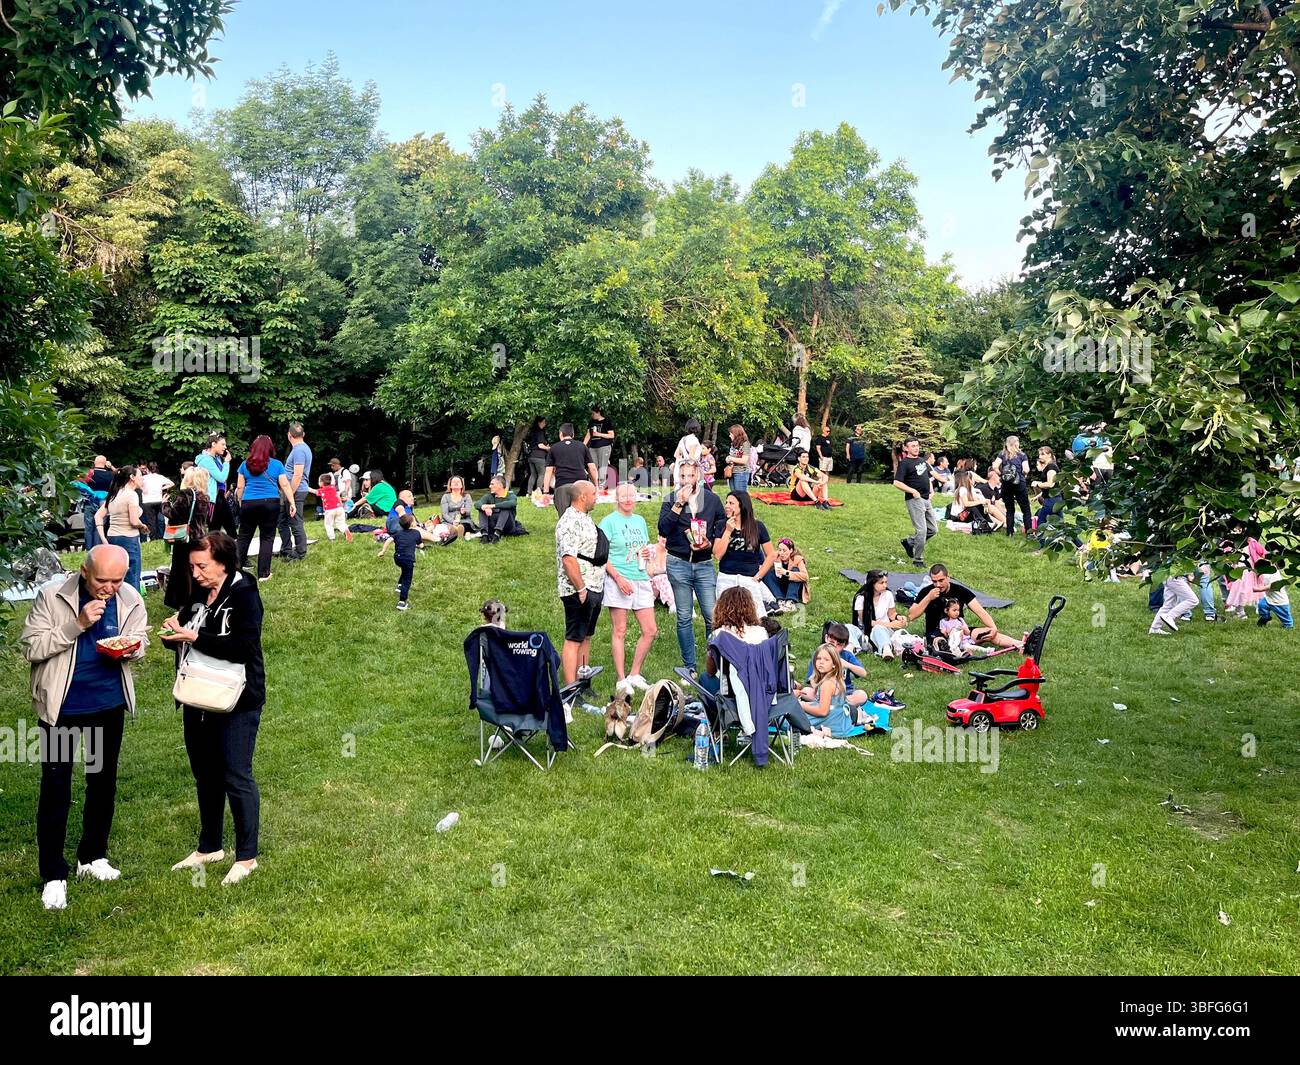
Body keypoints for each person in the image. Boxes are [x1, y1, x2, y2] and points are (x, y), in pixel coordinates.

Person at [20, 544, 148, 911]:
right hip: (63, 707)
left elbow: (139, 640)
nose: (110, 588)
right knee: (57, 785)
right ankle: (53, 874)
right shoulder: (52, 596)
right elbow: (33, 647)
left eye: (117, 580)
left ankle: (92, 857)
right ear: (83, 571)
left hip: (107, 705)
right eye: (102, 580)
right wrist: (77, 625)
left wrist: (131, 649)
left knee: (103, 782)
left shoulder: (129, 597)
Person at [161, 532, 265, 886]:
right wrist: (174, 633)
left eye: (202, 566)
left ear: (224, 562)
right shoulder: (196, 594)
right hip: (198, 696)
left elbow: (242, 647)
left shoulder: (245, 594)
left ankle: (247, 857)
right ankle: (209, 848)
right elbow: (190, 631)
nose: (197, 572)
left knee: (236, 775)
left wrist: (193, 638)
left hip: (236, 698)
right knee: (205, 774)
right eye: (193, 566)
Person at [657, 459, 725, 674]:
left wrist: (711, 542)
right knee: (684, 615)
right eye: (683, 476)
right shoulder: (670, 499)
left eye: (690, 476)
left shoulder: (712, 500)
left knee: (711, 615)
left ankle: (712, 662)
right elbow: (663, 529)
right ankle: (690, 666)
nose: (686, 480)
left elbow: (721, 524)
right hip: (678, 563)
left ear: (699, 477)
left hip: (704, 564)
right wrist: (678, 504)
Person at [599, 483, 657, 695]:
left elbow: (643, 547)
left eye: (631, 495)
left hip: (640, 578)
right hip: (619, 579)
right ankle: (621, 679)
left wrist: (647, 557)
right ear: (616, 499)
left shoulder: (640, 521)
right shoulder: (609, 522)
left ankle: (635, 673)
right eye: (623, 496)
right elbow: (601, 555)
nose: (628, 499)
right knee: (620, 630)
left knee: (650, 630)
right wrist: (617, 577)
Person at [555, 480, 605, 685]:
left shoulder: (585, 518)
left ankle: (583, 682)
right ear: (582, 496)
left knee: (586, 636)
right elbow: (568, 558)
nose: (597, 497)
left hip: (594, 585)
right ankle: (570, 687)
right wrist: (581, 588)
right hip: (578, 589)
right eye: (594, 493)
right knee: (574, 638)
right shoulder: (569, 522)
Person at [907, 564, 1021, 650]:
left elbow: (980, 611)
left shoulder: (960, 590)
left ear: (948, 577)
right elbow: (912, 616)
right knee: (940, 643)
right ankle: (947, 649)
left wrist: (993, 628)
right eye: (934, 581)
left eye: (941, 580)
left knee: (989, 632)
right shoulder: (926, 592)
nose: (938, 585)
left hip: (960, 631)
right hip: (937, 633)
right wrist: (928, 598)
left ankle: (1021, 644)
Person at [234, 435, 296, 582]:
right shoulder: (277, 464)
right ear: (270, 448)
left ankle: (235, 571)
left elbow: (240, 487)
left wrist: (241, 503)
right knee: (267, 537)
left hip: (249, 502)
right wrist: (292, 502)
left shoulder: (244, 465)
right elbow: (285, 485)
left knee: (243, 537)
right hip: (270, 503)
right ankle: (263, 573)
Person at [713, 489, 775, 618]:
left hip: (749, 578)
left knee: (756, 617)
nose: (727, 506)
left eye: (731, 503)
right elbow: (717, 554)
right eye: (726, 502)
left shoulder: (757, 526)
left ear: (742, 505)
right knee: (725, 617)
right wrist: (728, 531)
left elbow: (771, 555)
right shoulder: (721, 525)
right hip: (726, 577)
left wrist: (759, 576)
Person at [799, 644, 876, 739]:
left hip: (832, 721)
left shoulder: (827, 683)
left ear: (834, 664)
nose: (821, 662)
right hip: (839, 719)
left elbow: (823, 711)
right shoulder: (834, 678)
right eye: (818, 659)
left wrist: (802, 705)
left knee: (789, 720)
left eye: (826, 660)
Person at [163, 466, 214, 610]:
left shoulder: (185, 494)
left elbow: (174, 514)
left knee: (181, 570)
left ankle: (181, 600)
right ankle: (199, 598)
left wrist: (165, 505)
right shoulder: (204, 497)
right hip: (199, 537)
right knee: (197, 569)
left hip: (184, 538)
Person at [95, 466, 149, 591]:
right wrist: (143, 526)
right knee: (132, 577)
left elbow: (98, 516)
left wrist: (103, 538)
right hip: (129, 540)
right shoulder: (132, 495)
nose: (142, 479)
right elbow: (134, 521)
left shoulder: (114, 493)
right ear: (132, 478)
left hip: (112, 538)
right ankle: (133, 606)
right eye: (140, 476)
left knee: (116, 575)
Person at [893, 437, 936, 568]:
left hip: (926, 499)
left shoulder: (922, 461)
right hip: (915, 500)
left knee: (933, 529)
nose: (916, 448)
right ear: (906, 448)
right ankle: (918, 560)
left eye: (917, 445)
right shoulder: (905, 463)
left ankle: (909, 542)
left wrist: (931, 490)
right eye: (912, 446)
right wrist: (913, 491)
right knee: (922, 531)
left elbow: (929, 477)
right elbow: (897, 482)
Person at [543, 423, 598, 519]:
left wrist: (546, 492)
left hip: (562, 486)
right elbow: (592, 468)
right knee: (582, 515)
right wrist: (595, 485)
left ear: (561, 434)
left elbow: (548, 471)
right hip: (581, 486)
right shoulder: (582, 446)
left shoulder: (554, 448)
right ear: (573, 435)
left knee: (564, 518)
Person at [858, 569, 913, 659]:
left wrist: (898, 617)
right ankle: (886, 650)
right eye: (881, 583)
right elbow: (866, 622)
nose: (885, 585)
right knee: (878, 628)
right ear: (872, 583)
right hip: (867, 630)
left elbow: (891, 613)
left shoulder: (888, 595)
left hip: (886, 630)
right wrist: (890, 624)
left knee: (884, 630)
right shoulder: (861, 598)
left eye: (886, 582)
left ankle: (887, 648)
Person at [390, 513, 440, 610]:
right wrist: (417, 545)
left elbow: (389, 540)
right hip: (408, 559)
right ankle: (402, 603)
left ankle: (399, 586)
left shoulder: (398, 533)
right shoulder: (416, 533)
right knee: (407, 580)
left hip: (397, 558)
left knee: (404, 570)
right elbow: (421, 546)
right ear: (412, 524)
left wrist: (383, 551)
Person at [277, 421, 312, 561]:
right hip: (293, 490)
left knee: (295, 522)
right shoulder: (302, 449)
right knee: (282, 521)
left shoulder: (299, 450)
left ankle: (300, 553)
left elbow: (297, 475)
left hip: (295, 491)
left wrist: (289, 494)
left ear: (289, 435)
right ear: (303, 434)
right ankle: (286, 549)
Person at [762, 537, 809, 610]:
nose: (781, 553)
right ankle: (780, 600)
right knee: (768, 573)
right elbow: (765, 567)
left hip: (795, 589)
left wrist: (786, 572)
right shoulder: (776, 557)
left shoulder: (798, 559)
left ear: (791, 550)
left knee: (795, 570)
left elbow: (805, 576)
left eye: (784, 550)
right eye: (780, 550)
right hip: (782, 586)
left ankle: (790, 601)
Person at [81, 456, 115, 550]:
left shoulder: (88, 474)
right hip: (103, 503)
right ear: (105, 463)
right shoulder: (110, 475)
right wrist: (111, 466)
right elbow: (119, 475)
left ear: (94, 462)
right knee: (99, 526)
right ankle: (97, 548)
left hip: (89, 502)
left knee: (89, 528)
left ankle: (88, 549)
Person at [1150, 570, 1199, 635]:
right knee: (1193, 600)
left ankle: (1155, 628)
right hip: (1176, 577)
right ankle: (1169, 616)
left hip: (1169, 576)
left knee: (1168, 605)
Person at [475, 475, 523, 543]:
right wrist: (484, 508)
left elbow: (512, 503)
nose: (490, 486)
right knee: (482, 509)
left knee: (506, 508)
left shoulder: (510, 495)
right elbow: (477, 503)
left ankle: (497, 534)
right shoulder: (489, 496)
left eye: (492, 484)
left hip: (507, 526)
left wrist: (492, 506)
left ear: (500, 485)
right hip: (492, 525)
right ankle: (484, 535)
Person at [308, 472, 351, 543]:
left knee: (328, 524)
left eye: (319, 481)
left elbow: (313, 491)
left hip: (329, 510)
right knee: (340, 523)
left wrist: (306, 487)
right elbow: (333, 481)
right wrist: (331, 475)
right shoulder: (333, 488)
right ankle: (345, 530)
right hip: (339, 508)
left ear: (321, 483)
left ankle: (332, 538)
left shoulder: (321, 491)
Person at [139, 462, 174, 540]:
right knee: (160, 520)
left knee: (151, 522)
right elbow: (171, 483)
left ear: (148, 468)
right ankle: (161, 536)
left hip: (147, 501)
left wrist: (143, 489)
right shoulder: (160, 477)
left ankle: (153, 538)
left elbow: (138, 484)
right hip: (158, 500)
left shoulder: (144, 478)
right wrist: (161, 488)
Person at [1031, 446, 1063, 530]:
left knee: (1040, 524)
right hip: (1056, 499)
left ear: (1049, 455)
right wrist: (1037, 496)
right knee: (1062, 526)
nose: (1040, 456)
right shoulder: (1050, 467)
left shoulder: (1051, 467)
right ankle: (1080, 544)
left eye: (1042, 454)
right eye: (1039, 454)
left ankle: (1041, 543)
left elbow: (1050, 484)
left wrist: (1037, 484)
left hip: (1051, 500)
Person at [439, 476, 478, 541]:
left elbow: (468, 512)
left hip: (463, 520)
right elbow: (444, 514)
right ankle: (454, 530)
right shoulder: (445, 497)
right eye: (454, 482)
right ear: (450, 485)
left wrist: (464, 512)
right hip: (449, 521)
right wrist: (452, 521)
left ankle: (460, 531)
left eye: (458, 482)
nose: (456, 483)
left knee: (464, 525)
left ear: (462, 485)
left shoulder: (467, 496)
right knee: (449, 527)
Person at [585, 406, 615, 487]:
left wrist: (598, 434)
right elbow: (588, 434)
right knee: (592, 465)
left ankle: (601, 486)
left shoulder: (606, 421)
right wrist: (583, 445)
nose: (592, 415)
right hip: (592, 447)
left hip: (604, 446)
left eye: (593, 413)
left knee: (602, 466)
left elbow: (611, 435)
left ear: (598, 412)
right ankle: (592, 485)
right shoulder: (591, 421)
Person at [722, 424, 751, 493]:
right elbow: (731, 456)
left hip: (741, 473)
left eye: (731, 434)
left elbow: (744, 460)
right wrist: (728, 459)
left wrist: (730, 458)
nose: (729, 436)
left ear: (736, 434)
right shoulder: (733, 444)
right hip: (732, 472)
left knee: (741, 495)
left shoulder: (745, 444)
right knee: (734, 494)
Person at [525, 417, 550, 494]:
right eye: (543, 422)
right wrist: (548, 448)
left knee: (533, 474)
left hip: (531, 456)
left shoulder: (532, 432)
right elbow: (540, 445)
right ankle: (539, 493)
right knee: (542, 474)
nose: (544, 424)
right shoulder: (540, 432)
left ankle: (528, 493)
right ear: (539, 423)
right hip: (539, 456)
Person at [674, 418, 702, 485]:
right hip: (690, 470)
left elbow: (676, 455)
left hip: (680, 468)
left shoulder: (683, 439)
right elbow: (691, 457)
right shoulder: (694, 439)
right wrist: (699, 464)